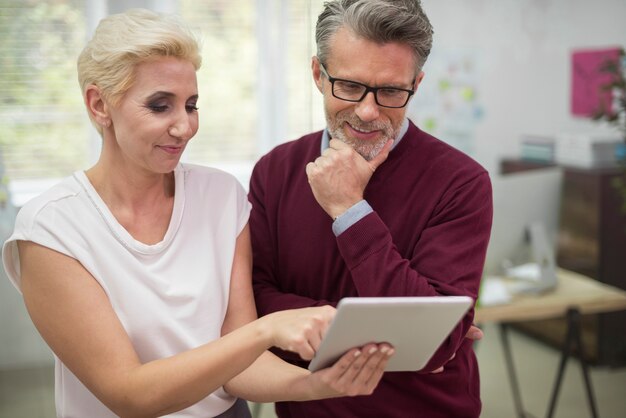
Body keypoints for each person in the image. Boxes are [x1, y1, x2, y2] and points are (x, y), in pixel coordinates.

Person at [1, 9, 395, 418]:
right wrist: (266, 330)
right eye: (160, 106)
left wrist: (316, 384)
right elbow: (129, 394)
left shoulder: (220, 196)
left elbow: (238, 369)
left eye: (191, 105)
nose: (184, 126)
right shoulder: (51, 228)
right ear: (99, 105)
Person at [248, 1, 492, 417]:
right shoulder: (274, 171)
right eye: (348, 86)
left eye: (392, 91)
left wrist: (349, 210)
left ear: (416, 84)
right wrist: (394, 333)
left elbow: (434, 342)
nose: (367, 111)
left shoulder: (461, 182)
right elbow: (252, 304)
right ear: (317, 75)